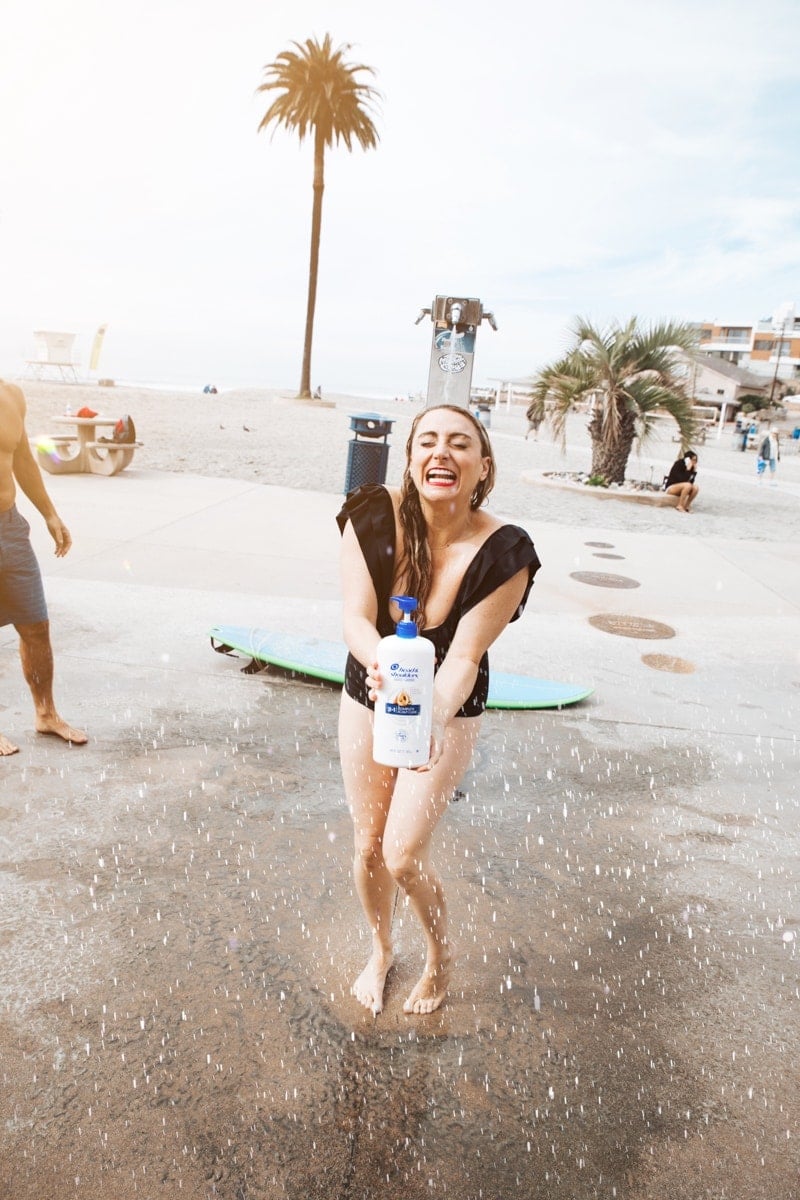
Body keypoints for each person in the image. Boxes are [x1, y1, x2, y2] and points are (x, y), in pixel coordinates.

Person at [337, 404, 541, 1016]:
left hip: (448, 704)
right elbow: (354, 617)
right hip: (370, 686)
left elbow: (462, 659)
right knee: (369, 845)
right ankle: (379, 950)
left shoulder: (507, 552)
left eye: (459, 444)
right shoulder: (372, 514)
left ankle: (439, 958)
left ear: (483, 466)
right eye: (427, 441)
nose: (441, 453)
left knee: (402, 853)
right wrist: (382, 668)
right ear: (410, 458)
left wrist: (430, 717)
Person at [0, 380, 87, 756]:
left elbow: (21, 457)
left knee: (35, 624)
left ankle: (46, 714)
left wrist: (49, 514)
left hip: (9, 525)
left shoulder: (11, 394)